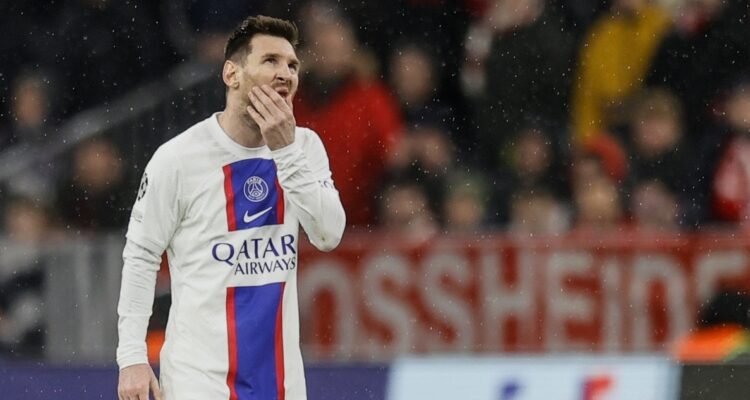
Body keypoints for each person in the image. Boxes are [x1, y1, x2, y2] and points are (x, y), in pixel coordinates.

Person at [116, 15, 346, 400]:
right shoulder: (178, 159)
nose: (286, 73)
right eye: (270, 61)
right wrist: (132, 357)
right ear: (231, 74)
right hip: (198, 382)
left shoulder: (305, 148)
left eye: (292, 65)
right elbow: (141, 255)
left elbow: (329, 235)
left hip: (282, 385)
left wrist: (285, 151)